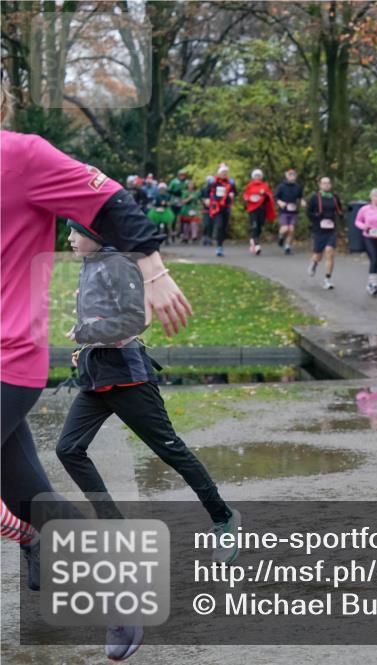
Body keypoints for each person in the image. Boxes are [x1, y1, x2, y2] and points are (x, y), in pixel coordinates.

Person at [2, 83, 192, 658]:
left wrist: (155, 273)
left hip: (7, 353)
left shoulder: (22, 156)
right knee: (28, 491)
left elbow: (112, 203)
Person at [56, 220, 240, 559]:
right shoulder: (91, 264)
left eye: (76, 232)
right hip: (96, 378)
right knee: (69, 449)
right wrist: (85, 342)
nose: (69, 238)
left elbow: (138, 319)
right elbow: (99, 320)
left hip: (129, 380)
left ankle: (224, 518)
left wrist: (88, 333)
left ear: (96, 235)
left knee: (171, 451)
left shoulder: (117, 264)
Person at [307, 176, 341, 290]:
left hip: (331, 230)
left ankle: (327, 280)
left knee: (329, 252)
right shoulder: (315, 198)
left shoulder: (334, 197)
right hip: (319, 230)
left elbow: (339, 210)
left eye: (328, 183)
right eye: (324, 183)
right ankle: (314, 263)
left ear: (330, 185)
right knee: (318, 255)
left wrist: (340, 215)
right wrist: (316, 217)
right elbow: (308, 212)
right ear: (320, 185)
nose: (326, 185)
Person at [243, 168, 276, 255]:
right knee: (254, 226)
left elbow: (269, 196)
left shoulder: (265, 185)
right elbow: (246, 195)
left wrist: (264, 194)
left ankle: (253, 239)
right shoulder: (249, 186)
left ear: (261, 177)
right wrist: (247, 198)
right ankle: (257, 245)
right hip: (252, 209)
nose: (257, 177)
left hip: (261, 209)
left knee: (260, 226)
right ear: (253, 177)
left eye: (259, 176)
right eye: (256, 176)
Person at [208, 163, 237, 257]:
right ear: (219, 173)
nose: (224, 174)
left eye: (226, 172)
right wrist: (206, 199)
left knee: (224, 227)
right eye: (222, 172)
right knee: (219, 225)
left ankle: (220, 244)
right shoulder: (214, 182)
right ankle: (218, 244)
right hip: (216, 207)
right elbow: (206, 191)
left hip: (226, 207)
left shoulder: (230, 183)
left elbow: (235, 192)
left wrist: (232, 194)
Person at [274, 168, 304, 254]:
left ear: (296, 176)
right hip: (284, 211)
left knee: (291, 229)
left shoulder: (298, 187)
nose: (292, 176)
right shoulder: (281, 186)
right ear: (286, 175)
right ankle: (280, 237)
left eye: (293, 175)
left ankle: (287, 246)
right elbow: (275, 196)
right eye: (290, 175)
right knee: (285, 228)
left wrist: (302, 201)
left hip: (294, 211)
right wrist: (280, 202)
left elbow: (300, 196)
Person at [178, 179, 200, 243]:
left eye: (192, 184)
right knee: (186, 224)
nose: (191, 186)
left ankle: (194, 237)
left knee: (194, 223)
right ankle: (185, 237)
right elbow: (183, 201)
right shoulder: (185, 192)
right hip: (186, 209)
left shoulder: (196, 193)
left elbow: (197, 201)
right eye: (189, 184)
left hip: (193, 209)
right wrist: (189, 198)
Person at [199, 175, 214, 245]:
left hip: (213, 209)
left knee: (211, 224)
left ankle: (209, 238)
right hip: (206, 209)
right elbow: (200, 197)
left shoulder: (214, 189)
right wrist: (204, 201)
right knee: (206, 224)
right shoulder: (203, 189)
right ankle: (204, 237)